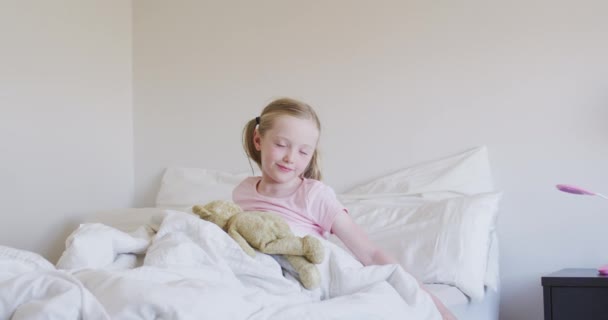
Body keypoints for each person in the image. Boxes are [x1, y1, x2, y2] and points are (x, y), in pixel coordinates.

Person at [232, 97, 456, 320]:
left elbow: (370, 253)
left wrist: (441, 310)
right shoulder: (242, 192)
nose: (290, 158)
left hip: (303, 282)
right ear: (258, 140)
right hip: (256, 277)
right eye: (281, 144)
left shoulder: (314, 195)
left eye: (303, 152)